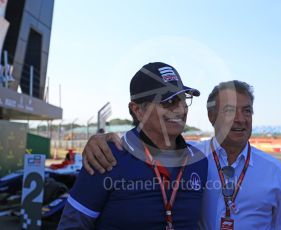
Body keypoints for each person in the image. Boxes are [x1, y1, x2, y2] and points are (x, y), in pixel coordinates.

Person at [82, 80, 281, 229]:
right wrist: (102, 139)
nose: (240, 119)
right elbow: (148, 144)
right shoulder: (188, 159)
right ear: (211, 116)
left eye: (247, 111)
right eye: (229, 110)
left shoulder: (277, 174)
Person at [58, 62, 208, 229]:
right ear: (137, 110)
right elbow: (71, 225)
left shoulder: (200, 161)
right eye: (169, 101)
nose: (181, 109)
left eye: (183, 99)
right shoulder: (106, 156)